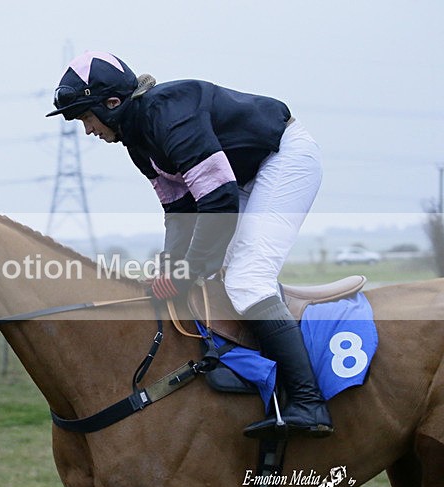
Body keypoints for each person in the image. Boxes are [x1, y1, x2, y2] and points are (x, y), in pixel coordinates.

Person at [46, 50, 332, 439]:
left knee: (248, 278)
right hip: (243, 176)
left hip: (283, 158)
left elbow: (218, 201)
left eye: (86, 117)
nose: (88, 129)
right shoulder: (137, 143)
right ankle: (268, 381)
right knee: (222, 273)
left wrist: (186, 272)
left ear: (111, 104)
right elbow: (180, 212)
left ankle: (309, 402)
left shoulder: (168, 114)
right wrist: (169, 266)